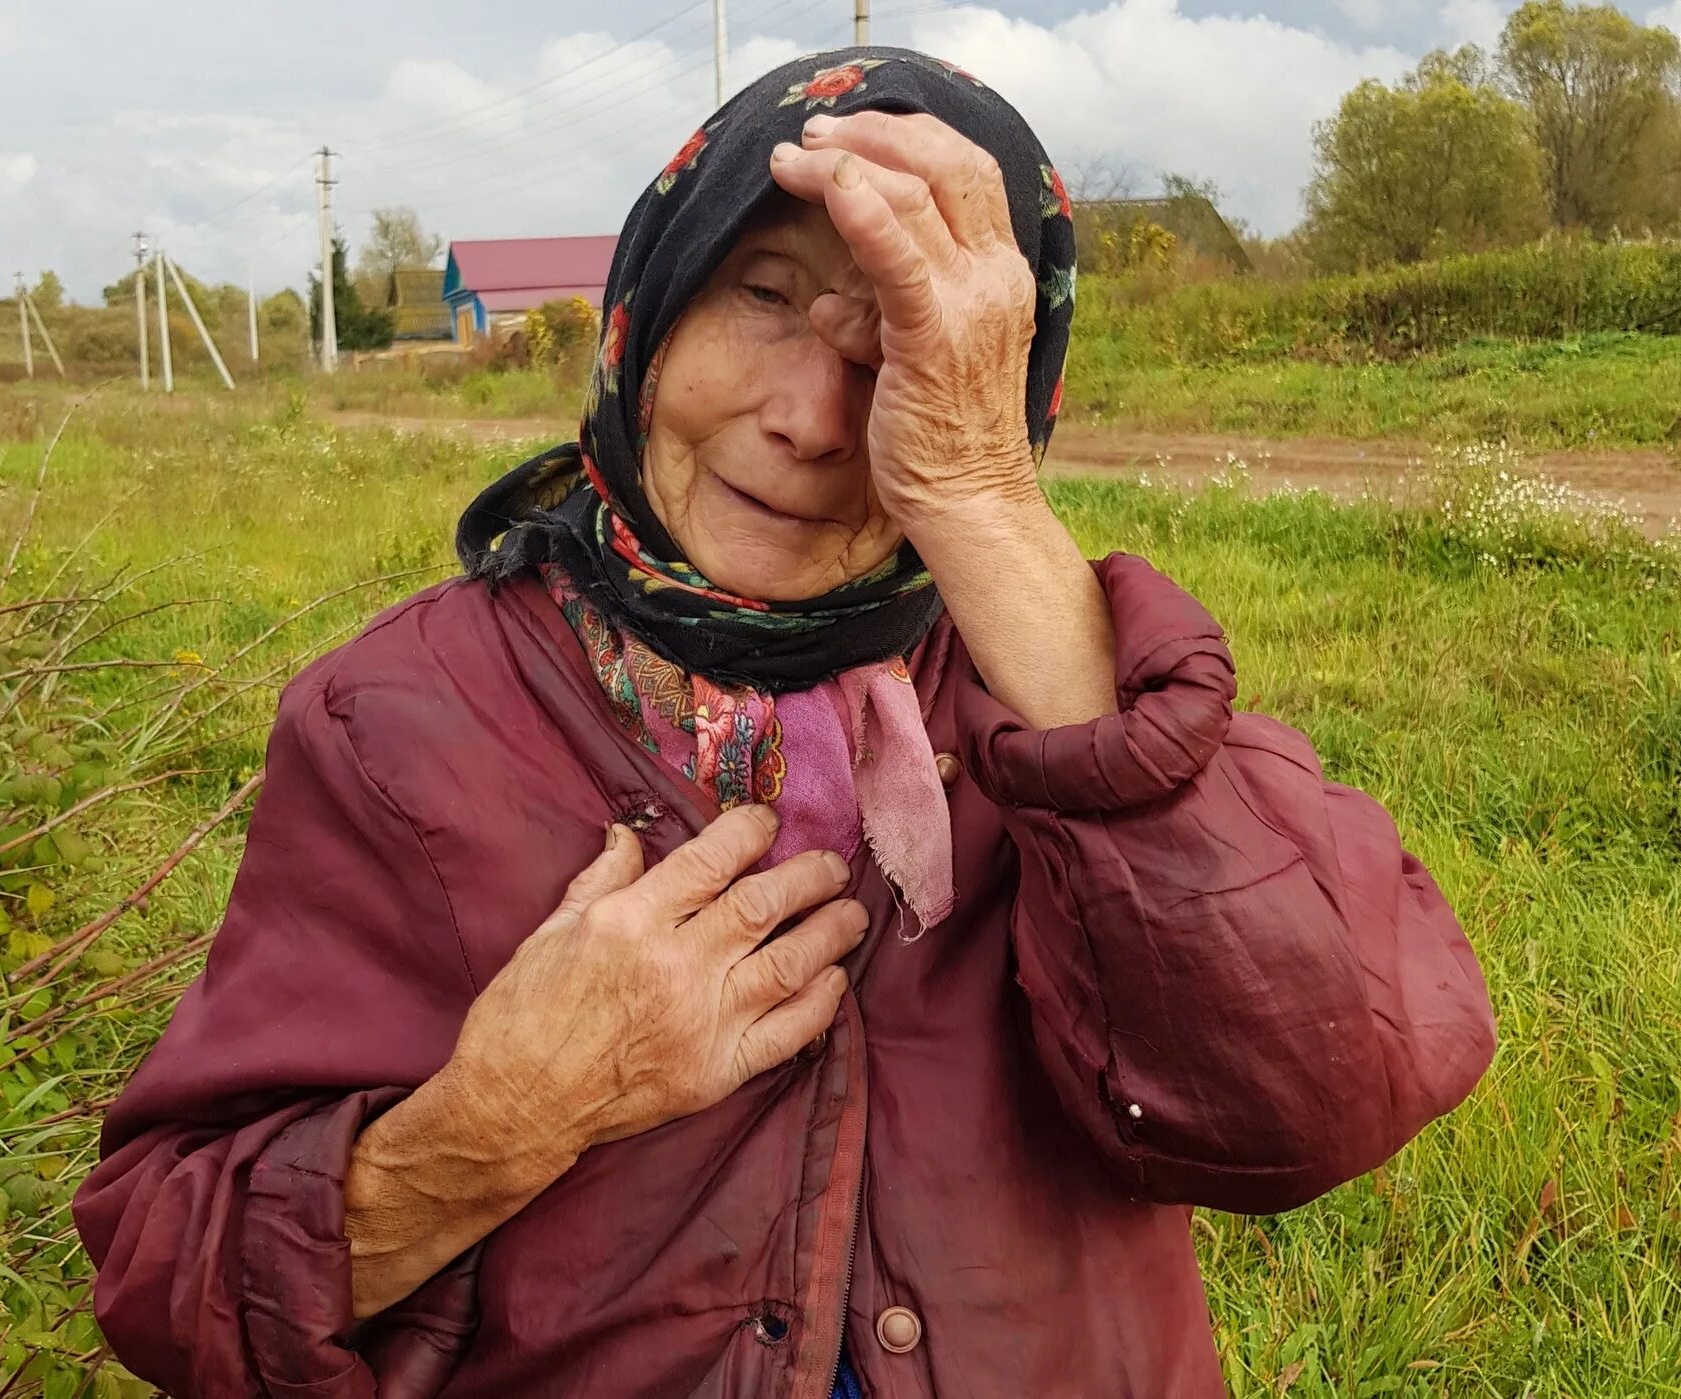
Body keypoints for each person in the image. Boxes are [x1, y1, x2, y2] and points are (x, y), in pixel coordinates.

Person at [74, 48, 1494, 1399]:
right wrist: (496, 1123)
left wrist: (988, 509)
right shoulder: (398, 722)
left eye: (895, 348)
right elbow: (169, 1280)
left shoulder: (1059, 678)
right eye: (763, 291)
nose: (814, 417)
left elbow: (1314, 1104)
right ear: (657, 296)